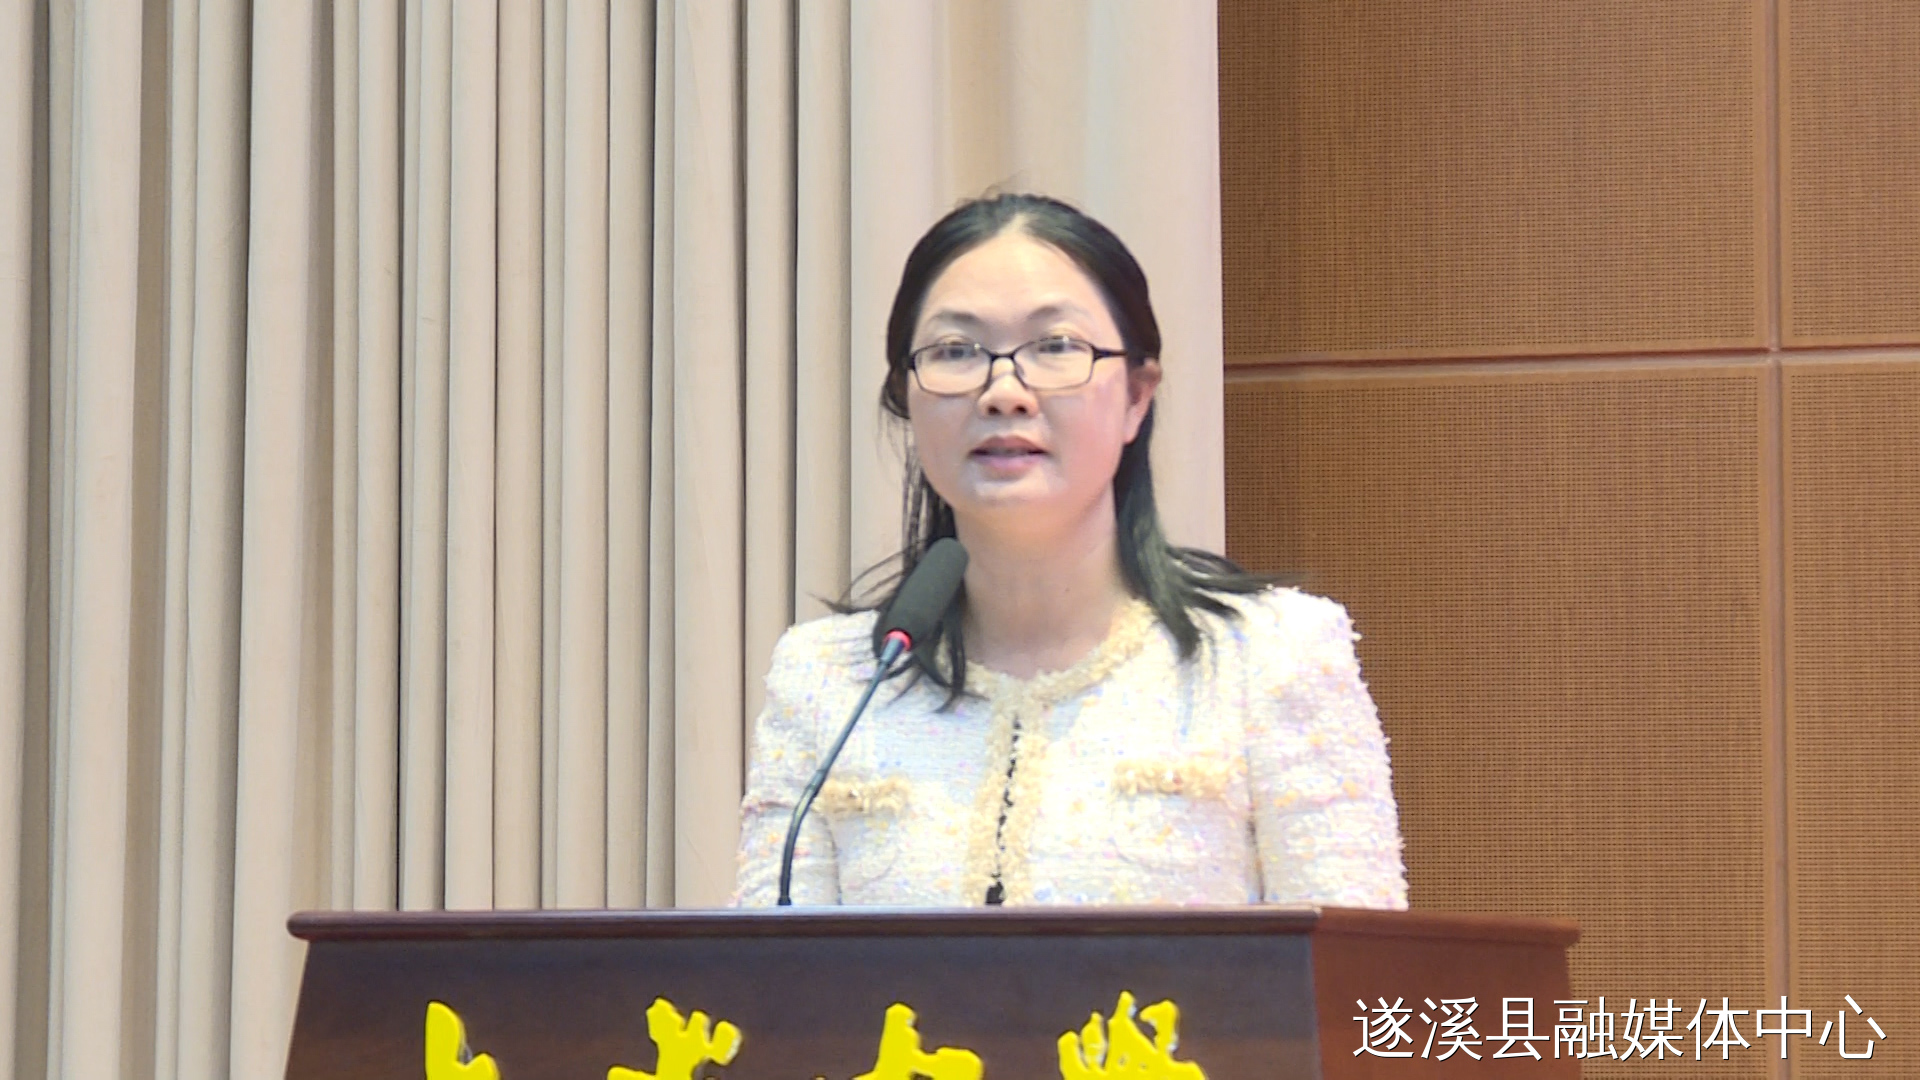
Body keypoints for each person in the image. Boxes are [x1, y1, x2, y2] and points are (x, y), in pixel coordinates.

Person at [733, 194, 1407, 908]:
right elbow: (769, 971)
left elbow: (1353, 968)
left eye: (1055, 347)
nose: (1004, 393)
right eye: (955, 351)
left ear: (1137, 396)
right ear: (906, 392)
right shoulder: (830, 682)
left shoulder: (1268, 656)